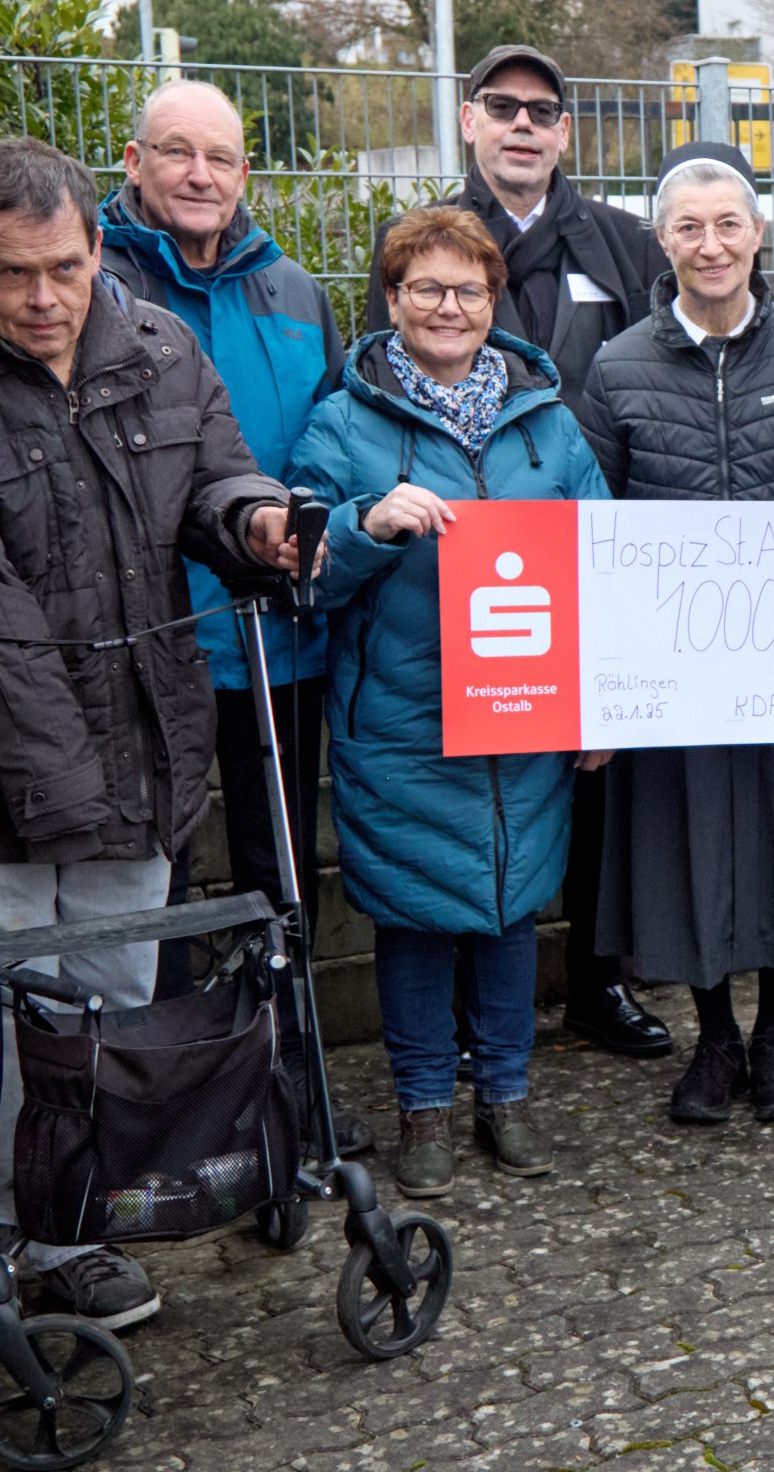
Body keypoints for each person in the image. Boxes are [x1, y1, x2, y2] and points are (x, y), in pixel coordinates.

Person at [0, 137, 307, 1325]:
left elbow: (216, 483)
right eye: (14, 273)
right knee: (18, 1018)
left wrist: (261, 524)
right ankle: (13, 1232)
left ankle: (74, 1228)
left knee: (110, 1000)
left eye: (63, 268)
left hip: (141, 744)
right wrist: (68, 783)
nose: (41, 298)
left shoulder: (162, 350)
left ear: (96, 245)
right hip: (21, 774)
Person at [577, 142, 774, 1127]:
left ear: (758, 235)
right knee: (689, 848)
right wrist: (597, 678)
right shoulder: (617, 366)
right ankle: (712, 1037)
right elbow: (591, 525)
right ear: (662, 241)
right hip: (672, 672)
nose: (710, 244)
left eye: (729, 224)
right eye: (688, 226)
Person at [289, 205, 610, 1199]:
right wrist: (367, 520)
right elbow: (301, 573)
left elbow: (601, 567)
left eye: (467, 289)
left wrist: (600, 705)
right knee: (417, 920)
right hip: (402, 720)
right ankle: (424, 1106)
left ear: (493, 301)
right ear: (390, 300)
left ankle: (505, 1096)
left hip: (524, 713)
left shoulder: (548, 425)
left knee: (513, 907)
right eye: (424, 287)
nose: (448, 307)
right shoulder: (343, 422)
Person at [365, 44, 672, 1060]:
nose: (523, 124)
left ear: (566, 130)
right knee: (467, 787)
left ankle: (595, 978)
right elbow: (376, 396)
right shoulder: (422, 249)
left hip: (591, 549)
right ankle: (460, 1017)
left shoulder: (623, 245)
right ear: (469, 121)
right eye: (502, 106)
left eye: (543, 109)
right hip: (458, 575)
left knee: (593, 782)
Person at [95, 82, 372, 1158]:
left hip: (276, 637)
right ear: (133, 160)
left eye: (220, 156)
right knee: (154, 892)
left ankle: (286, 1089)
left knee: (279, 882)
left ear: (246, 172)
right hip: (143, 645)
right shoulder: (92, 284)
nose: (199, 175)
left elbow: (332, 440)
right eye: (177, 153)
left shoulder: (296, 292)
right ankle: (159, 1108)